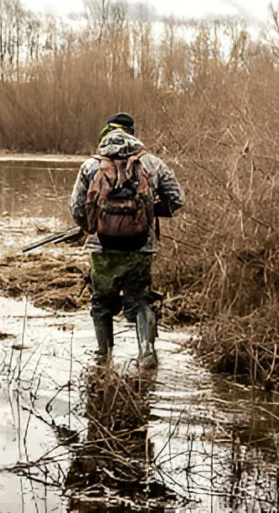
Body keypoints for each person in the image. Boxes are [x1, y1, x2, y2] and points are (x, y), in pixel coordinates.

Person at [69, 112, 184, 369]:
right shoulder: (151, 163)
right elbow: (177, 199)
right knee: (141, 299)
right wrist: (150, 211)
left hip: (102, 248)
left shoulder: (90, 166)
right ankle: (147, 354)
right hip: (141, 246)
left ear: (106, 133)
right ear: (132, 133)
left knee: (101, 301)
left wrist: (90, 225)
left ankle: (103, 358)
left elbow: (76, 208)